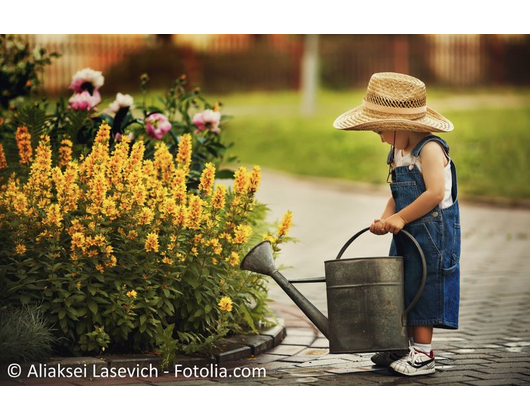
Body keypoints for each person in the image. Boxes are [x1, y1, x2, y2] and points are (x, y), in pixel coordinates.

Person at [333, 72, 461, 376]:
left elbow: (434, 193)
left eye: (379, 129)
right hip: (408, 230)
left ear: (401, 124)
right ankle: (398, 344)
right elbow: (396, 195)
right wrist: (387, 217)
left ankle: (423, 355)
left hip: (433, 233)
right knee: (399, 283)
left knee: (424, 286)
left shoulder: (429, 150)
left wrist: (401, 217)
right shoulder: (397, 152)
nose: (378, 136)